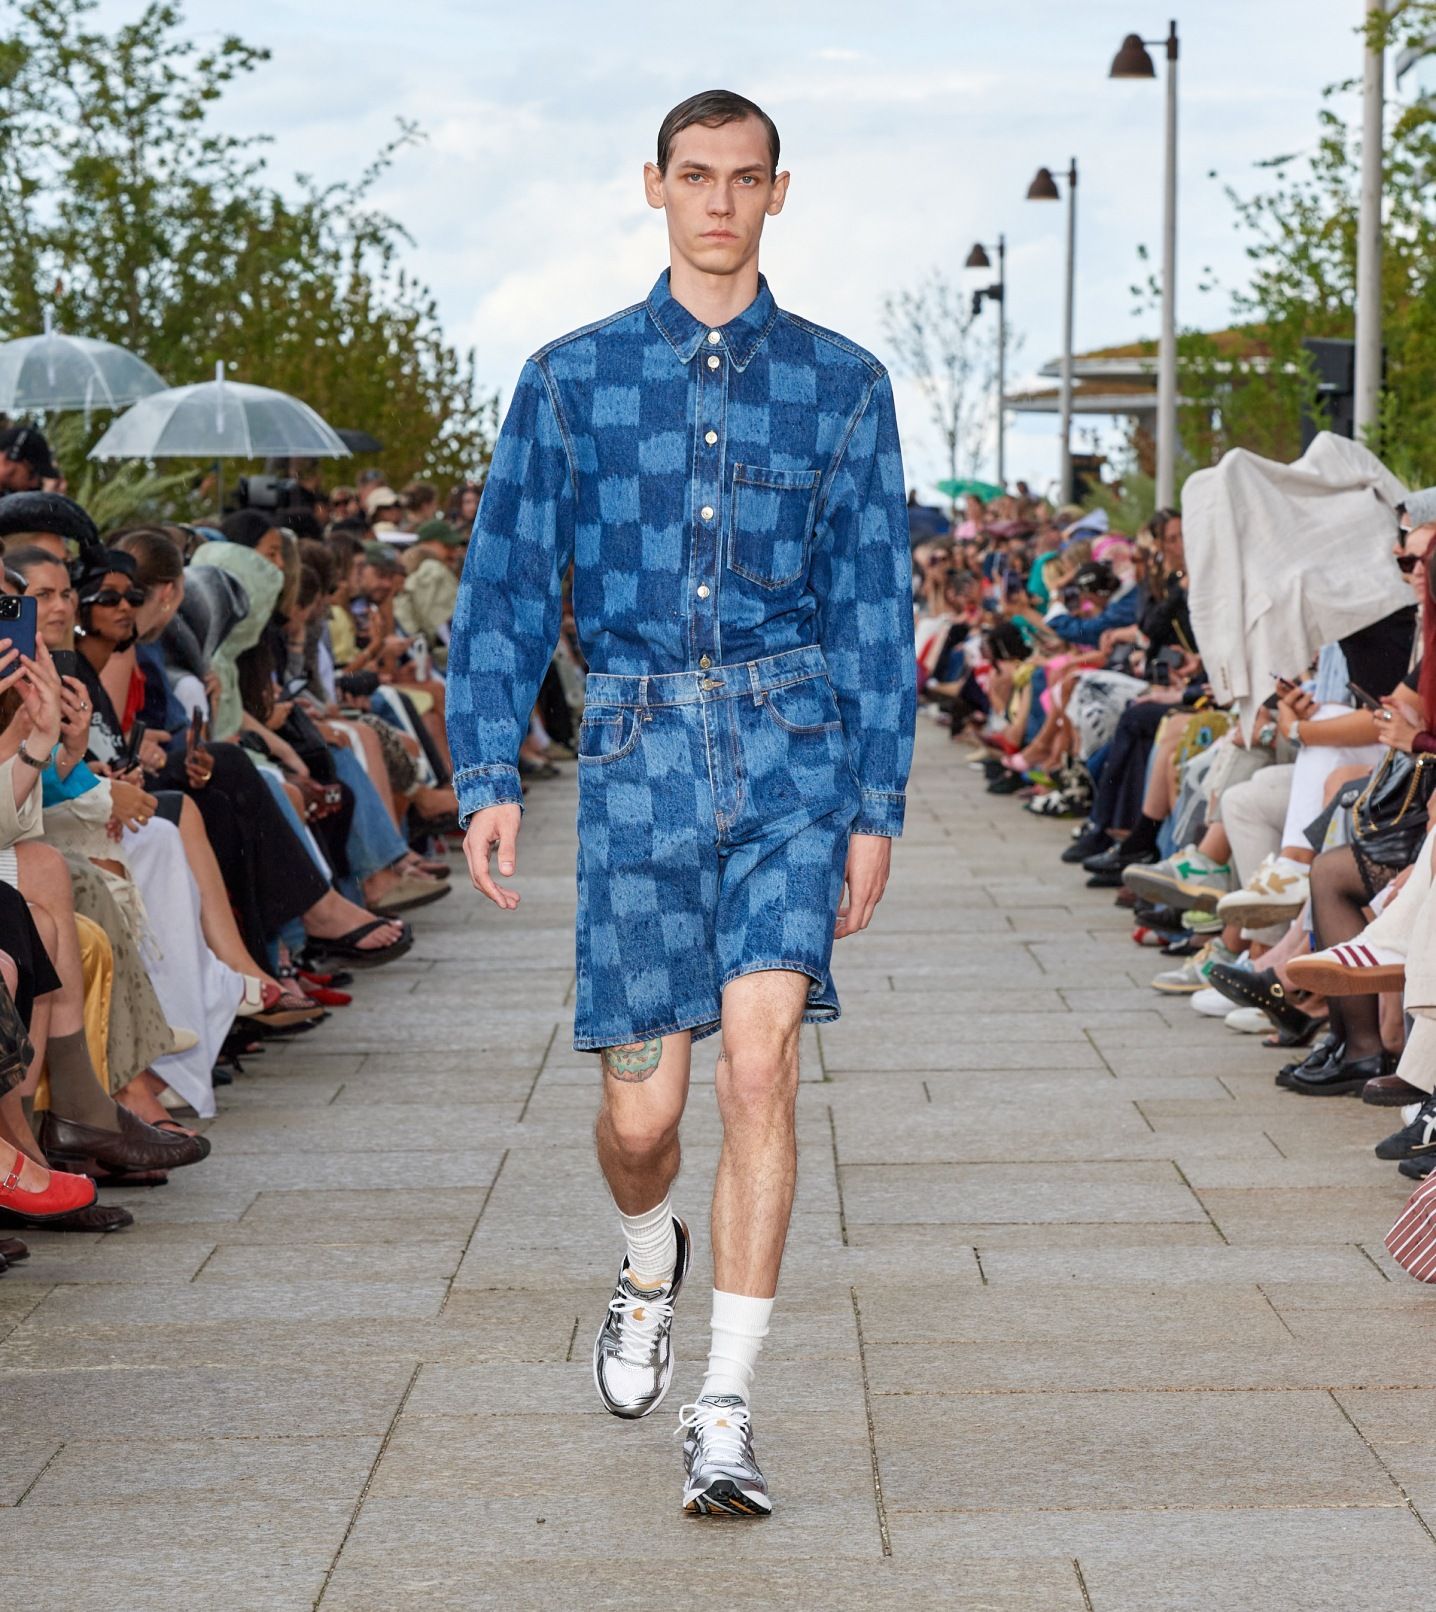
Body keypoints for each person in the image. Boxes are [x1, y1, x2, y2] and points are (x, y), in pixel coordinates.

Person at [447, 89, 916, 1516]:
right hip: (641, 754)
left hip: (792, 749)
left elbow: (874, 605)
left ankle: (726, 1404)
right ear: (654, 184)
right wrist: (483, 771)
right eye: (695, 176)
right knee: (643, 1113)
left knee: (763, 1066)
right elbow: (510, 583)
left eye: (745, 179)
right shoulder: (571, 379)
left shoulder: (844, 387)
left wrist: (874, 798)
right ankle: (647, 1253)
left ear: (781, 193)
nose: (719, 201)